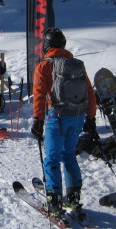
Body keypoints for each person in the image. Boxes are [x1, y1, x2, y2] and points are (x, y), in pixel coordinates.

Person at [30, 27, 98, 219]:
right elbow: (90, 92)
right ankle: (73, 197)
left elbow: (39, 95)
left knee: (51, 158)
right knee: (69, 155)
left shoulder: (45, 65)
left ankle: (54, 200)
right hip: (77, 116)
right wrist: (91, 118)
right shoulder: (76, 65)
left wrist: (37, 120)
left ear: (47, 45)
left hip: (56, 116)